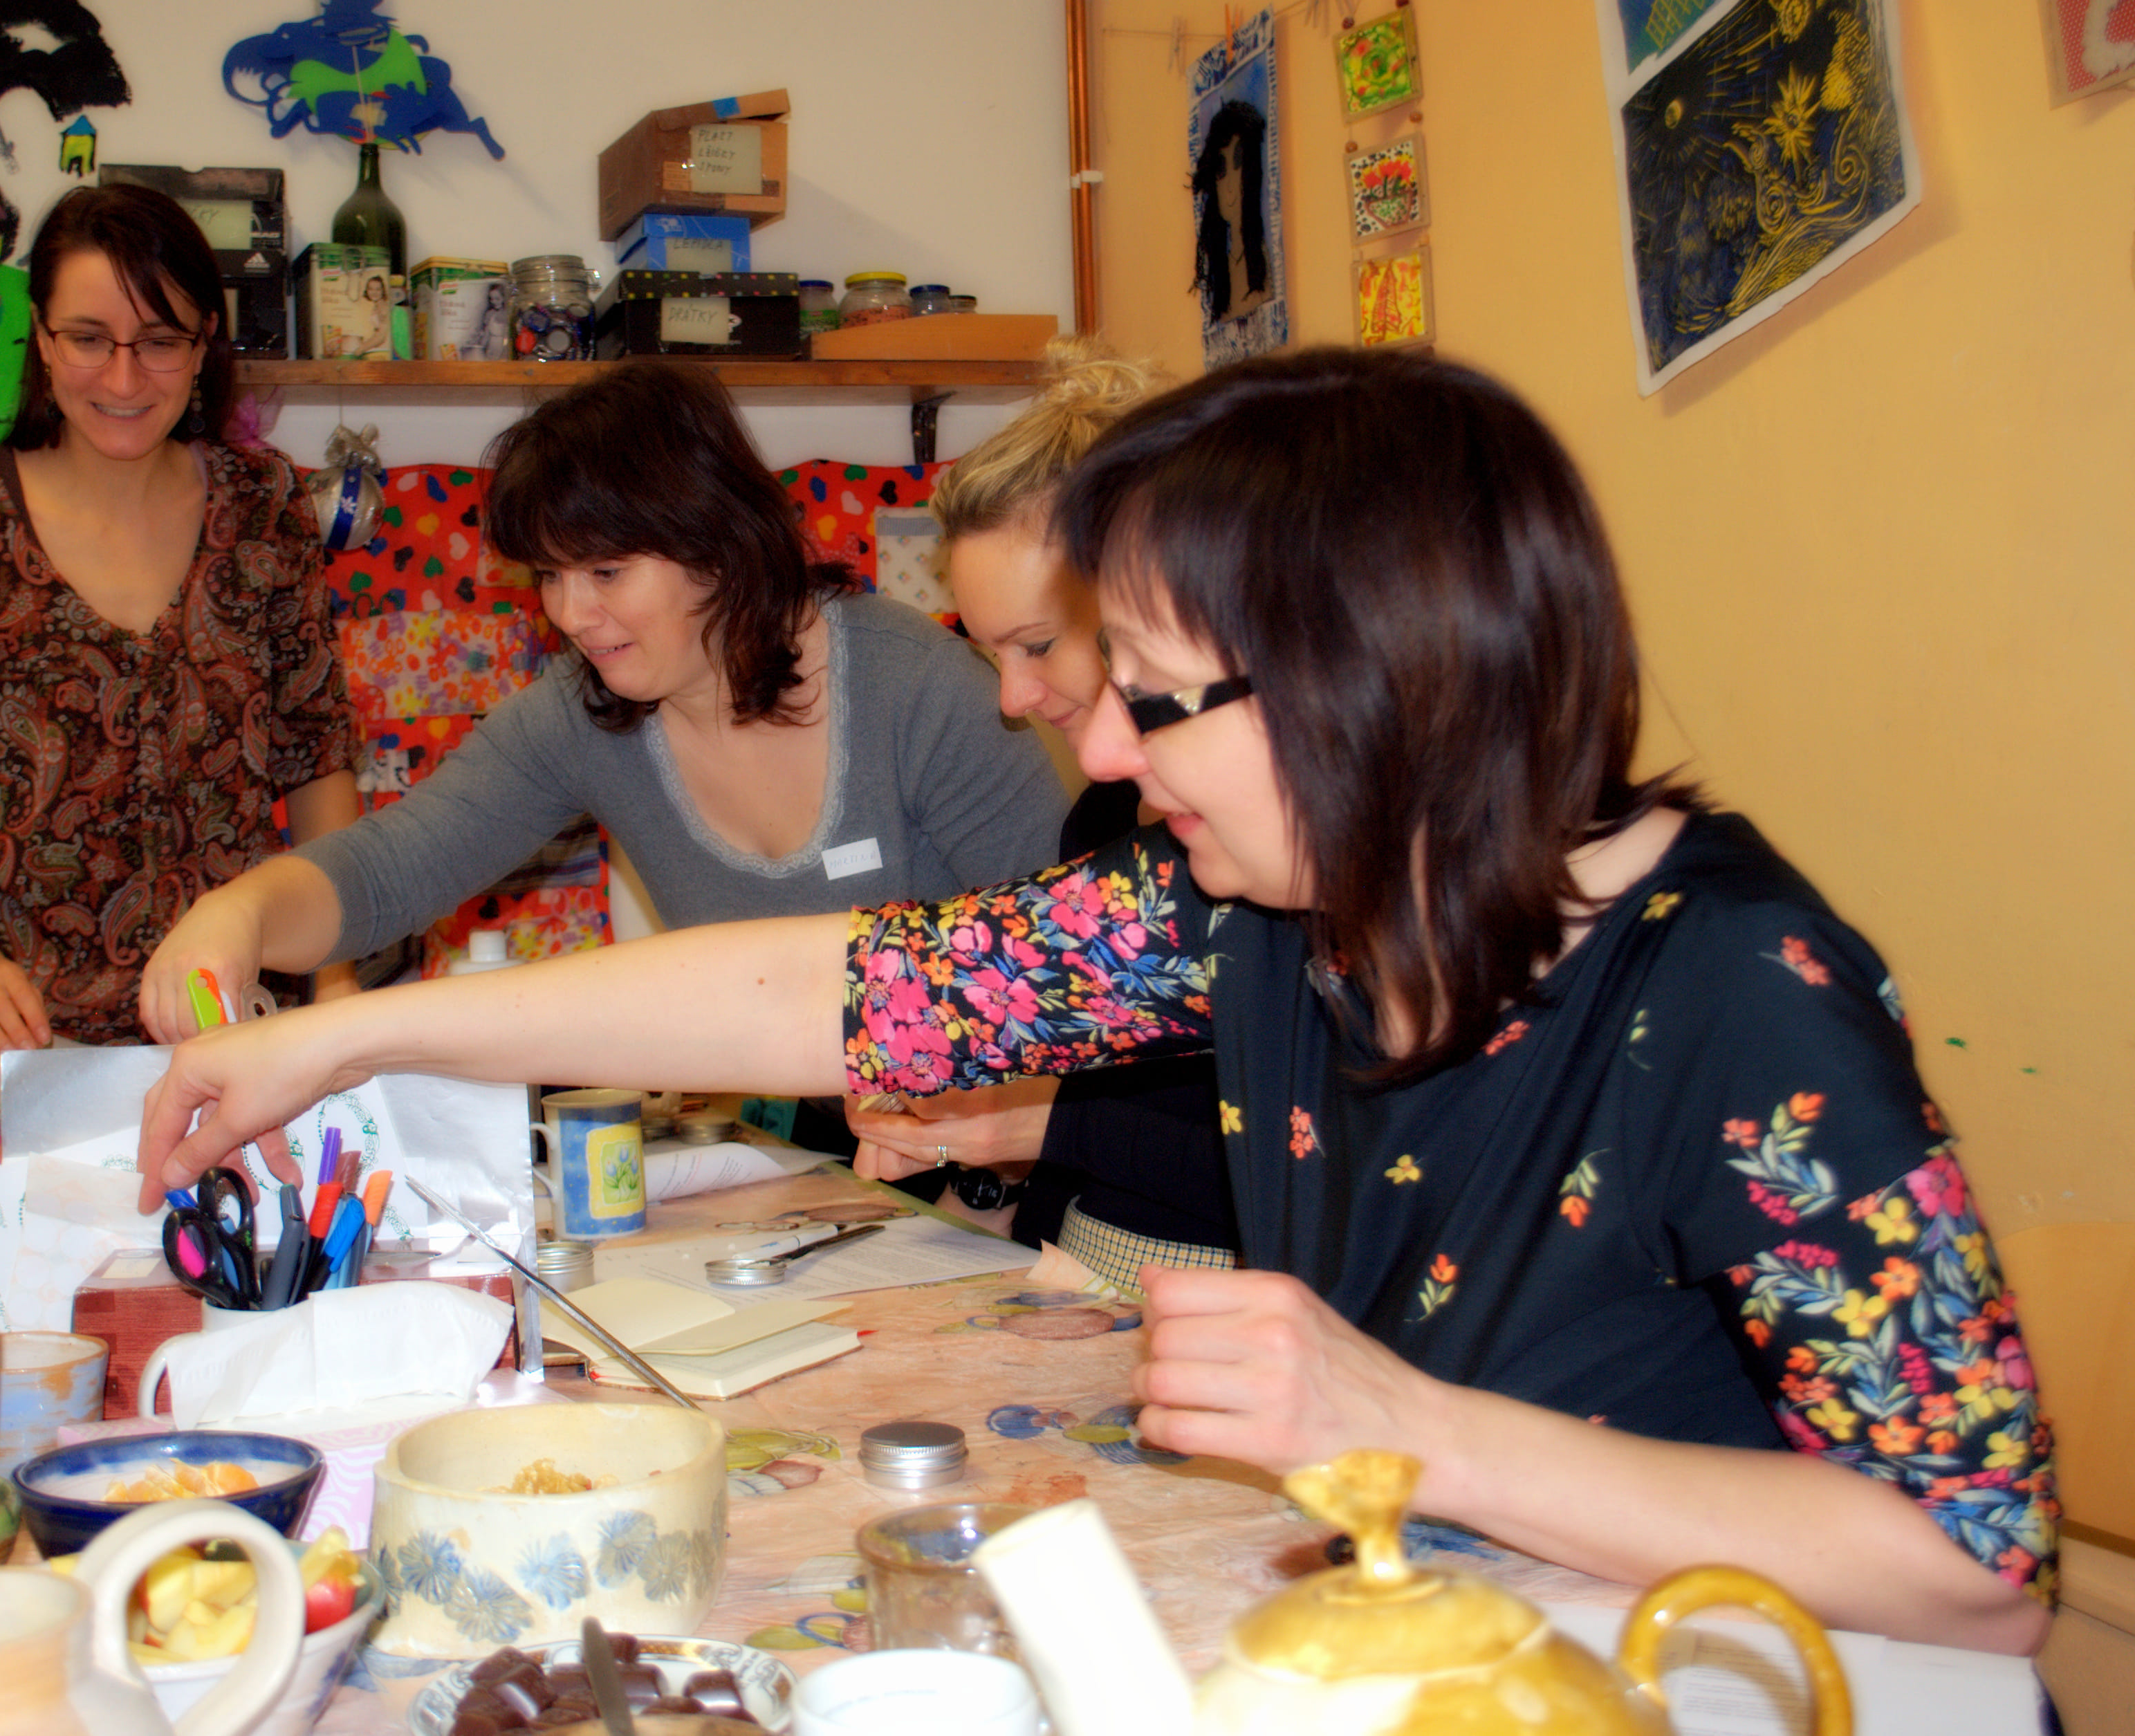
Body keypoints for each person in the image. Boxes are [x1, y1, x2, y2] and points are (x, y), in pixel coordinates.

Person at [138, 348, 2053, 1653]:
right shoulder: (1259, 908)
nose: (1107, 750)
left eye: (1152, 692)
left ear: (1362, 671)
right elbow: (832, 989)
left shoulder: (1737, 985)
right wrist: (346, 1029)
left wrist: (1414, 1429)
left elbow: (1977, 1565)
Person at [138, 358, 1067, 1046]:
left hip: (992, 1167)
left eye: (607, 571)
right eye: (550, 575)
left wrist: (978, 1160)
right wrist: (238, 915)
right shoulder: (582, 714)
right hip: (810, 1159)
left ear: (715, 543)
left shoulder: (926, 691)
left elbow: (1077, 967)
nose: (572, 613)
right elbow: (389, 870)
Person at [0, 183, 357, 1105]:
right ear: (40, 335)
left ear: (204, 343)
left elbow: (316, 759)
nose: (123, 378)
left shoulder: (264, 507)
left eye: (159, 340)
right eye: (88, 338)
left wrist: (338, 985)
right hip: (19, 1050)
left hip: (232, 1037)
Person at [844, 339, 1240, 1289]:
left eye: (1038, 644)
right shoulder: (1101, 816)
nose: (1013, 699)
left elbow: (1308, 1172)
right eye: (994, 656)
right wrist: (993, 1150)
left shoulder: (1261, 839)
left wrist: (1038, 1124)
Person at [1192, 100, 1271, 324]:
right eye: (1221, 171)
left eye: (1238, 164)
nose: (1228, 186)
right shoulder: (1222, 274)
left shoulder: (1262, 263)